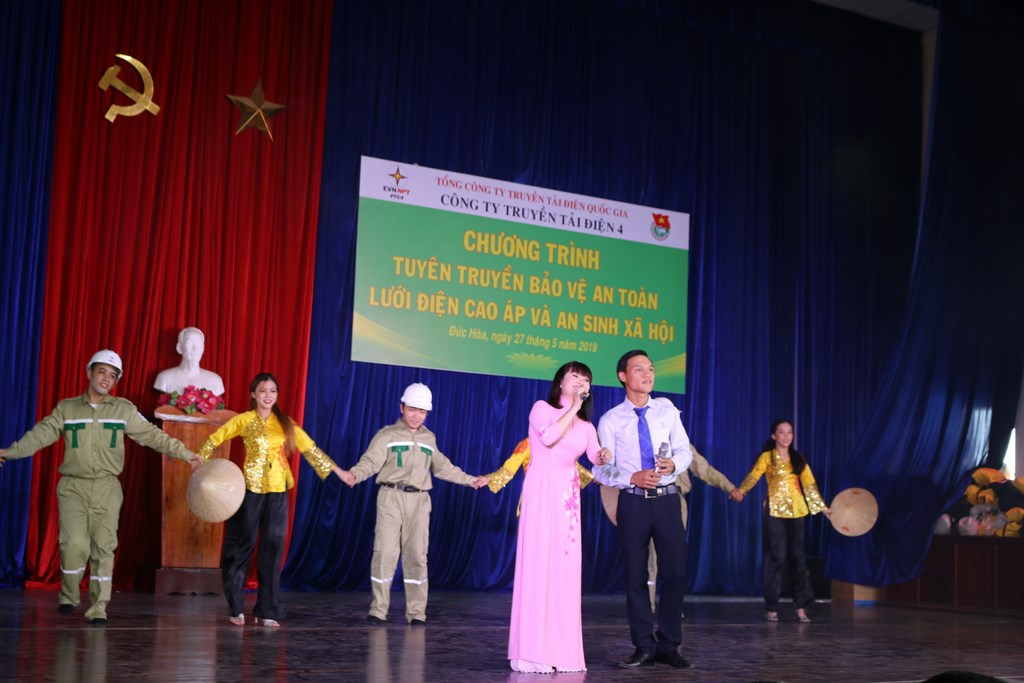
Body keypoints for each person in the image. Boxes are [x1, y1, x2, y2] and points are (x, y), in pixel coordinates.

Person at [0, 350, 201, 625]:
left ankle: (98, 607)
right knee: (73, 544)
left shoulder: (124, 410)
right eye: (102, 372)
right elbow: (40, 435)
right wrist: (9, 452)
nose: (106, 378)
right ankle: (69, 594)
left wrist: (187, 454)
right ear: (89, 372)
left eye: (113, 375)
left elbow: (154, 437)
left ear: (117, 380)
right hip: (73, 487)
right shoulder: (67, 409)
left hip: (107, 488)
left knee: (104, 547)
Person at [196, 372, 345, 627]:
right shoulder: (244, 420)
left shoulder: (285, 423)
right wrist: (200, 458)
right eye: (263, 391)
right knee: (242, 546)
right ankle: (235, 606)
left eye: (273, 391)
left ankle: (267, 609)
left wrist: (339, 472)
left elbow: (310, 449)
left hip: (277, 491)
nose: (268, 396)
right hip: (250, 490)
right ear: (253, 394)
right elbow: (215, 438)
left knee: (273, 549)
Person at [338, 383, 489, 625]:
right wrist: (356, 474)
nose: (417, 415)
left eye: (422, 411)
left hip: (420, 501)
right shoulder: (387, 435)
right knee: (385, 553)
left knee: (417, 555)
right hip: (391, 497)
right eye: (412, 409)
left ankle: (417, 613)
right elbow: (371, 461)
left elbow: (443, 467)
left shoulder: (429, 438)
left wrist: (470, 480)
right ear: (402, 407)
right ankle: (378, 610)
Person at [507, 361, 610, 673]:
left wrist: (603, 455)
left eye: (586, 379)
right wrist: (573, 408)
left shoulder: (587, 426)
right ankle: (530, 653)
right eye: (575, 376)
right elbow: (549, 438)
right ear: (561, 382)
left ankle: (562, 652)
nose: (580, 382)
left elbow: (595, 457)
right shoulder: (542, 408)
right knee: (538, 564)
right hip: (541, 490)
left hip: (567, 497)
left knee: (564, 570)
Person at [593, 349, 693, 669]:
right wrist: (630, 477)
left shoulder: (666, 410)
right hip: (633, 501)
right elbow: (600, 469)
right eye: (639, 369)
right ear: (623, 376)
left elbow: (684, 451)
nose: (648, 374)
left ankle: (670, 645)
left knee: (675, 573)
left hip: (667, 499)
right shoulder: (611, 420)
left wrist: (674, 463)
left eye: (650, 369)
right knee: (636, 576)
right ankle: (644, 646)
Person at [735, 419, 830, 623]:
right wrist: (741, 491)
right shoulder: (767, 457)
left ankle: (801, 607)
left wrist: (822, 507)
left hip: (797, 511)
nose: (786, 436)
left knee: (798, 559)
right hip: (775, 512)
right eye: (781, 432)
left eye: (789, 432)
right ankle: (771, 608)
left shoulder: (798, 458)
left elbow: (809, 484)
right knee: (776, 558)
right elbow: (754, 475)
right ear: (774, 436)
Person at [644, 443, 743, 611]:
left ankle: (673, 608)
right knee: (651, 559)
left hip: (674, 500)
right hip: (647, 499)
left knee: (674, 558)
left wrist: (728, 486)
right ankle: (647, 607)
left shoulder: (680, 442)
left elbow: (704, 469)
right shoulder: (644, 438)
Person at [486, 436, 595, 506]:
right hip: (534, 498)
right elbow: (508, 469)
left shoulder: (560, 445)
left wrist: (595, 477)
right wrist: (490, 478)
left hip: (557, 499)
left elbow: (574, 466)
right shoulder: (528, 444)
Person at [153, 327, 226, 395]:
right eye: (189, 343)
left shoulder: (215, 380)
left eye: (199, 344)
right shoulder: (165, 378)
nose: (195, 348)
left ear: (203, 348)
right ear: (179, 348)